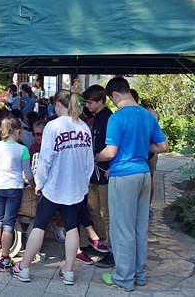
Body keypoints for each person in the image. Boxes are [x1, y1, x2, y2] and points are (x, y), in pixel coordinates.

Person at [11, 90, 94, 286]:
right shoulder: (83, 127)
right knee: (72, 226)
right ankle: (69, 272)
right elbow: (89, 161)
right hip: (76, 187)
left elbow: (45, 159)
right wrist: (83, 183)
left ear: (57, 104)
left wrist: (39, 183)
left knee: (40, 224)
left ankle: (24, 268)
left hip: (54, 186)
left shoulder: (53, 126)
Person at [96, 77, 168, 291]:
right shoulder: (147, 115)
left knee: (122, 228)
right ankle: (139, 275)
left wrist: (95, 156)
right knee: (139, 227)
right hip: (144, 174)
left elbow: (110, 152)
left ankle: (123, 277)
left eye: (111, 100)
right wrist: (140, 148)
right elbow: (163, 146)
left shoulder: (117, 118)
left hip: (124, 176)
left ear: (115, 95)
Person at [0, 117, 33, 273]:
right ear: (18, 131)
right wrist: (33, 185)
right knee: (8, 223)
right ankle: (5, 258)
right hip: (14, 188)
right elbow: (28, 173)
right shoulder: (23, 149)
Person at [83, 84, 114, 268]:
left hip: (105, 170)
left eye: (89, 102)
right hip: (93, 171)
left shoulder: (109, 118)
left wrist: (111, 165)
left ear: (100, 101)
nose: (87, 106)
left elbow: (113, 147)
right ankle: (99, 242)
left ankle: (110, 249)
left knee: (106, 211)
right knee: (93, 207)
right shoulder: (96, 117)